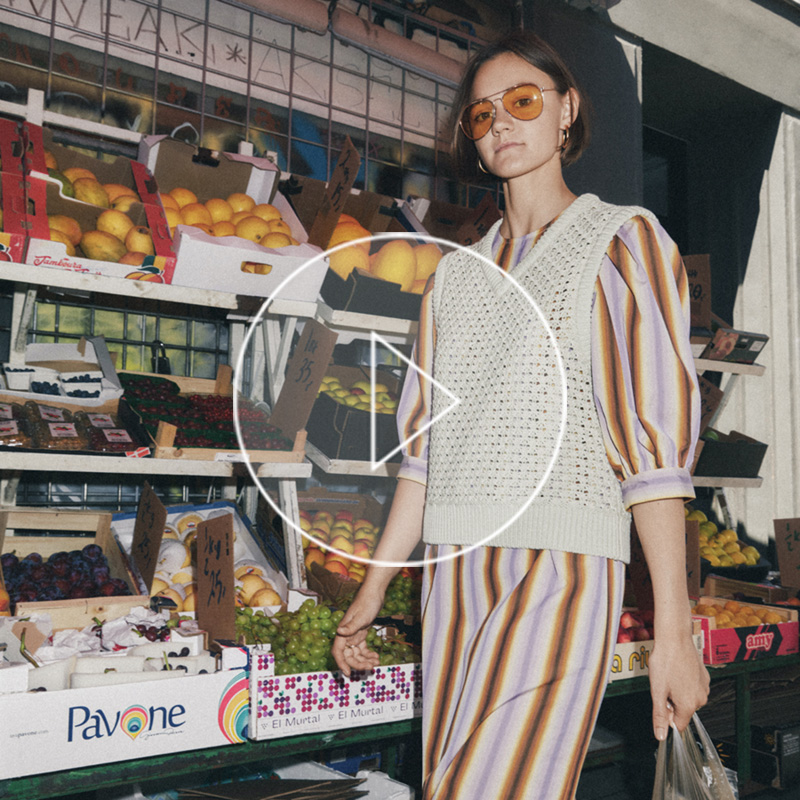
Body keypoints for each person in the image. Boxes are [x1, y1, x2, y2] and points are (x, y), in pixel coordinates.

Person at [332, 29, 710, 800]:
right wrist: (372, 591)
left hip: (561, 569)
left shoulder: (621, 244)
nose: (500, 121)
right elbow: (422, 459)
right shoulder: (453, 279)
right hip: (452, 574)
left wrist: (675, 630)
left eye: (523, 101)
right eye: (480, 114)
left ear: (567, 110)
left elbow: (655, 459)